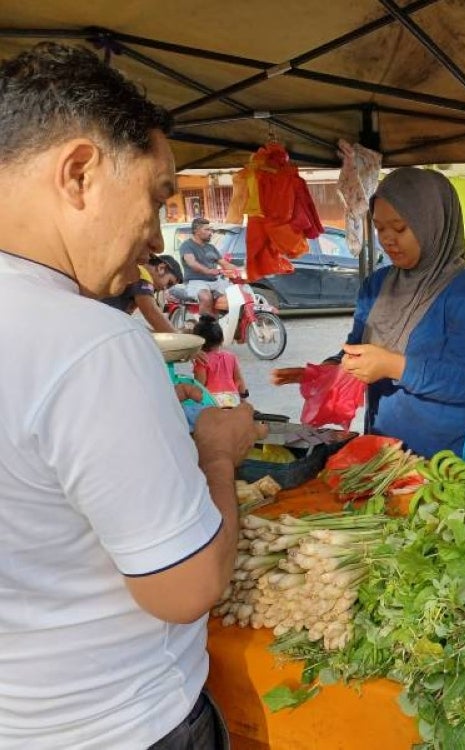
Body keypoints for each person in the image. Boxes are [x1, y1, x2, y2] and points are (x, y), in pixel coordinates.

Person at [0, 42, 265, 748]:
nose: (155, 238)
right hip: (120, 722)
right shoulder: (87, 341)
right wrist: (216, 455)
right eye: (155, 197)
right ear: (80, 172)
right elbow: (185, 591)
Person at [272, 167, 465, 457]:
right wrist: (326, 371)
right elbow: (357, 348)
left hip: (453, 459)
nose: (387, 239)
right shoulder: (377, 285)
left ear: (431, 224)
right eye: (380, 228)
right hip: (385, 450)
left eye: (400, 228)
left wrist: (394, 366)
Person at [101, 252, 184, 332]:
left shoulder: (134, 270)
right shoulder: (142, 274)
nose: (165, 288)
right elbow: (153, 314)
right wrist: (178, 337)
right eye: (169, 283)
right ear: (161, 268)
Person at [180, 217, 238, 316]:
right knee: (206, 297)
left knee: (237, 294)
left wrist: (240, 270)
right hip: (196, 282)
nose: (210, 232)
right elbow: (192, 263)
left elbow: (225, 264)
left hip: (215, 281)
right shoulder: (187, 245)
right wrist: (209, 271)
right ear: (196, 231)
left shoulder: (211, 247)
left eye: (210, 229)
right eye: (207, 229)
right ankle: (206, 328)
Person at [192, 314, 249, 408]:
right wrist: (243, 401)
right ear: (222, 339)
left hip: (212, 401)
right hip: (232, 399)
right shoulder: (231, 357)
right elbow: (239, 381)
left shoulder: (201, 360)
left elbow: (199, 386)